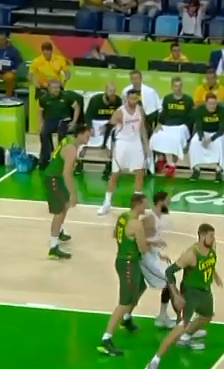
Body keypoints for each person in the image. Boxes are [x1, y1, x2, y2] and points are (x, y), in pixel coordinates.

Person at [144, 223, 223, 369]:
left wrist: (215, 276)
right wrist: (176, 295)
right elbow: (169, 272)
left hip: (205, 291)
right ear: (201, 236)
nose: (213, 238)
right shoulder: (191, 254)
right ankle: (154, 362)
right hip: (190, 293)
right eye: (210, 236)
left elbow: (211, 262)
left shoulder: (212, 247)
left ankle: (186, 338)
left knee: (207, 316)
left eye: (213, 235)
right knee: (181, 326)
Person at [100, 194, 151, 356]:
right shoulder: (136, 224)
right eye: (145, 204)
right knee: (124, 302)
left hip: (124, 260)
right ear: (138, 205)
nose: (146, 206)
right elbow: (143, 248)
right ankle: (106, 339)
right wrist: (150, 245)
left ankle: (127, 318)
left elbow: (115, 234)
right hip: (129, 263)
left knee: (141, 286)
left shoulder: (123, 217)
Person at [98, 89, 150, 216]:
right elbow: (109, 128)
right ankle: (107, 203)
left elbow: (142, 128)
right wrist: (106, 146)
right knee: (115, 174)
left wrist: (146, 145)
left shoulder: (140, 110)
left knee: (139, 173)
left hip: (136, 143)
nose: (134, 100)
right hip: (122, 143)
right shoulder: (120, 112)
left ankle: (137, 205)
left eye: (136, 98)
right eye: (131, 98)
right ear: (126, 99)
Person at [44, 123, 89, 259]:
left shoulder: (68, 139)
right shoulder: (71, 149)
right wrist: (73, 193)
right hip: (54, 178)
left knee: (65, 205)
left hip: (56, 176)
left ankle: (60, 231)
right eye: (87, 136)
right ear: (80, 134)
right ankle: (53, 247)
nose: (89, 139)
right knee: (59, 212)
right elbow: (66, 174)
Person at [142, 192, 179, 329]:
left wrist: (159, 254)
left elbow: (150, 239)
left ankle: (162, 316)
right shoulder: (149, 219)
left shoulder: (157, 218)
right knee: (170, 281)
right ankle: (168, 317)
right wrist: (155, 243)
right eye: (167, 200)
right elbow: (139, 239)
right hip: (145, 257)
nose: (169, 203)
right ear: (160, 202)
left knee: (169, 281)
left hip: (152, 255)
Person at [149, 77, 193, 176]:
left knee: (175, 139)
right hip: (167, 125)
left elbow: (191, 116)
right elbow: (164, 113)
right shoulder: (167, 99)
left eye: (179, 86)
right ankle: (161, 158)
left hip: (181, 126)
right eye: (175, 86)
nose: (178, 88)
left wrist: (187, 127)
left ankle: (172, 164)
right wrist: (159, 124)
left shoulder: (188, 99)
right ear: (172, 87)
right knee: (156, 136)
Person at [36, 80, 82, 169]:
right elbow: (40, 112)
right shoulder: (43, 99)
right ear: (49, 89)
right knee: (43, 134)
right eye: (54, 88)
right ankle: (46, 158)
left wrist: (74, 122)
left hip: (64, 121)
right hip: (50, 121)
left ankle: (62, 159)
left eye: (58, 88)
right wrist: (40, 124)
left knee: (62, 135)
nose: (57, 90)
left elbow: (77, 107)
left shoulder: (67, 96)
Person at [188, 94, 224, 180]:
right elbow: (198, 126)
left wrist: (211, 139)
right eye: (210, 104)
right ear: (206, 103)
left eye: (214, 104)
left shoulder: (221, 110)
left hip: (218, 133)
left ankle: (219, 170)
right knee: (194, 142)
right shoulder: (200, 110)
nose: (212, 106)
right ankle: (196, 169)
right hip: (204, 132)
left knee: (219, 143)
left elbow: (222, 128)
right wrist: (202, 137)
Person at [82, 81, 122, 168]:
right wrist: (89, 127)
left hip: (111, 123)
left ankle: (110, 162)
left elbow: (119, 116)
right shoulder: (95, 100)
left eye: (114, 91)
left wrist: (108, 125)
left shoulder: (118, 100)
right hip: (96, 123)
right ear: (105, 91)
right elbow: (88, 115)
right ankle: (82, 161)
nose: (112, 93)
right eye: (110, 91)